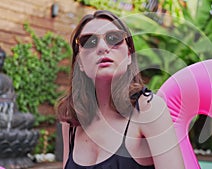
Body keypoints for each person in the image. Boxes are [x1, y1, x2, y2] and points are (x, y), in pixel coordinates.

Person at [56, 10, 185, 169]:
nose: (103, 47)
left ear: (129, 54)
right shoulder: (71, 121)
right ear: (80, 63)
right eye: (89, 41)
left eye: (113, 39)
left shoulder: (148, 110)